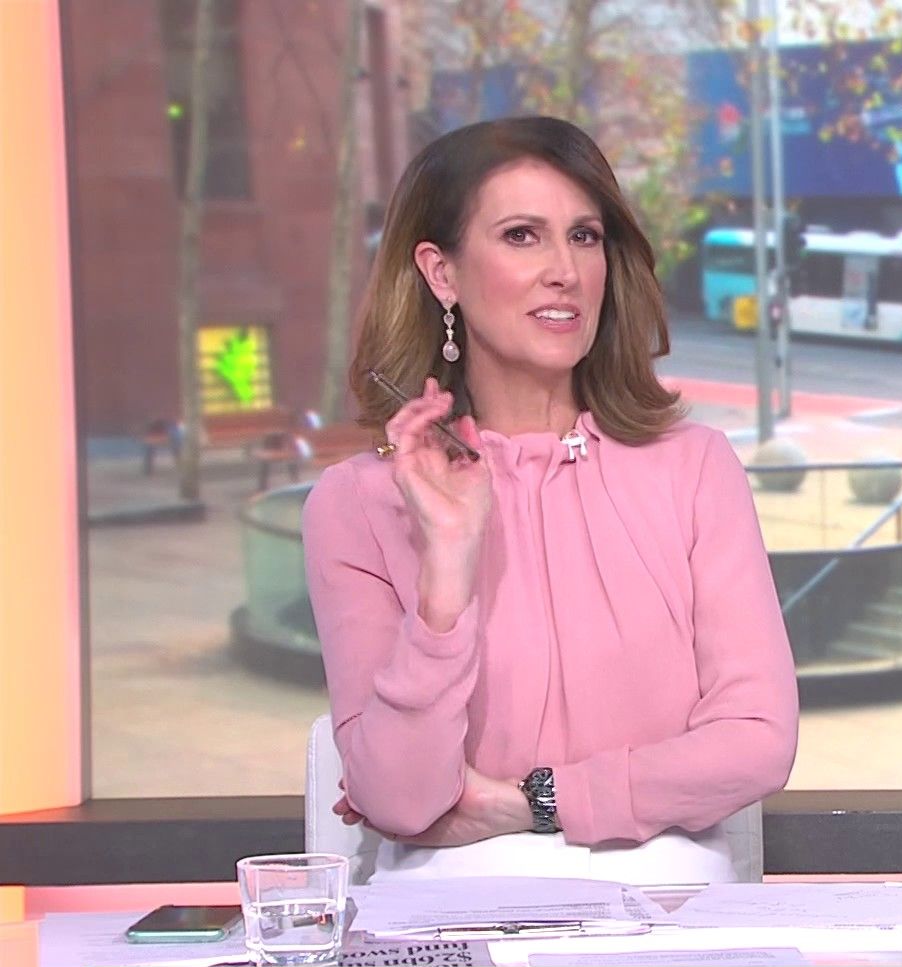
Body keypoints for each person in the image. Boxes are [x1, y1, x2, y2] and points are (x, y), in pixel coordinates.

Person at [303, 117, 799, 885]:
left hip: (668, 912)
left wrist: (531, 803)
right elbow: (398, 799)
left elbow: (756, 742)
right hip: (446, 923)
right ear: (441, 273)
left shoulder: (694, 469)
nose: (565, 270)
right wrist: (445, 579)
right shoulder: (357, 504)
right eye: (522, 236)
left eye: (585, 237)